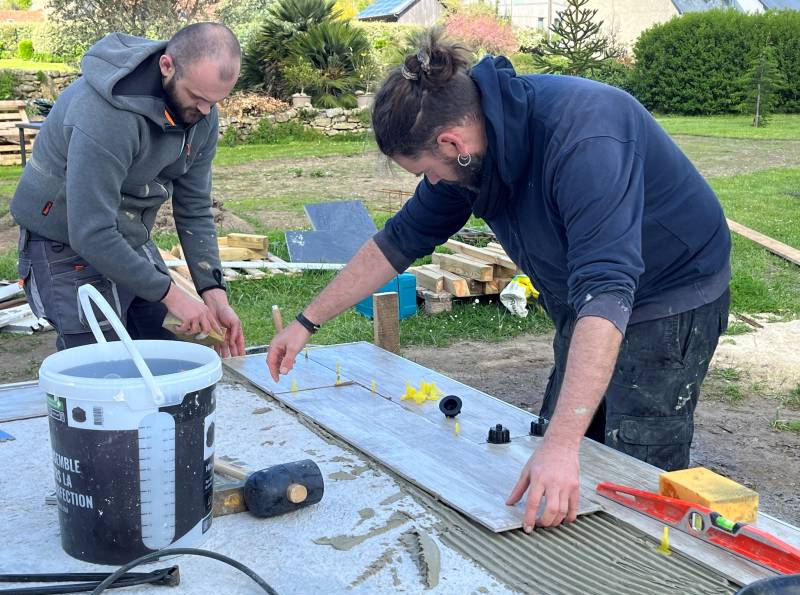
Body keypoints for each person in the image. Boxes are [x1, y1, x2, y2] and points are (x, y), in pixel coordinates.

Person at [267, 29, 731, 530]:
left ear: (452, 143)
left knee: (634, 459)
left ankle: (648, 555)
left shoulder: (585, 139)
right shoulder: (472, 151)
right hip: (585, 292)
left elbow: (607, 288)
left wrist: (562, 446)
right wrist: (306, 322)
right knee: (564, 436)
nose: (431, 183)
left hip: (671, 290)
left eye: (426, 171)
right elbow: (397, 241)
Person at [11, 22, 245, 357]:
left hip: (126, 232)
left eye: (215, 101)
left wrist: (213, 292)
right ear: (167, 66)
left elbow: (194, 207)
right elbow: (90, 231)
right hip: (63, 235)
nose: (206, 112)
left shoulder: (203, 110)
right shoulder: (106, 114)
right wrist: (174, 295)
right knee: (100, 361)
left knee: (159, 348)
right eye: (197, 98)